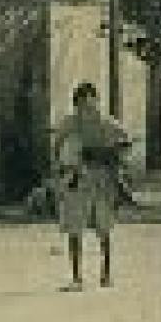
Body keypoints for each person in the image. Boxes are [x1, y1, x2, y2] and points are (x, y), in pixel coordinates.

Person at [54, 82, 132, 290]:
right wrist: (64, 169)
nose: (87, 108)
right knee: (74, 228)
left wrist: (108, 155)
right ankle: (76, 277)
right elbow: (58, 147)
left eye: (91, 103)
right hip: (77, 180)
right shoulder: (69, 124)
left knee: (104, 229)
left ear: (97, 101)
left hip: (102, 181)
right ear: (76, 104)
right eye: (82, 103)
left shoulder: (107, 123)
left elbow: (125, 143)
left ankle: (106, 275)